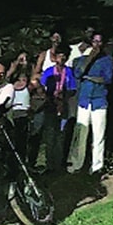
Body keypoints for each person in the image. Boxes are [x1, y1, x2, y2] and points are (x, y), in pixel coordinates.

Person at [67, 32, 113, 175]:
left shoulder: (107, 60)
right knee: (81, 133)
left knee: (98, 135)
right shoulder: (82, 60)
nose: (97, 45)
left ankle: (97, 166)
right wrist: (91, 58)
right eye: (95, 41)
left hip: (99, 100)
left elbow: (106, 79)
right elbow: (79, 74)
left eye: (100, 42)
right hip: (84, 100)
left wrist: (90, 78)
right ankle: (77, 163)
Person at [35, 44, 76, 172]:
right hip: (50, 105)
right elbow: (41, 88)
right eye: (59, 56)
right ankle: (49, 164)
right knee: (50, 135)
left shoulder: (69, 71)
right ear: (55, 57)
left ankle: (59, 163)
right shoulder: (48, 71)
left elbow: (73, 89)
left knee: (61, 135)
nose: (62, 59)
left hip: (63, 106)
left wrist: (64, 95)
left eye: (64, 56)